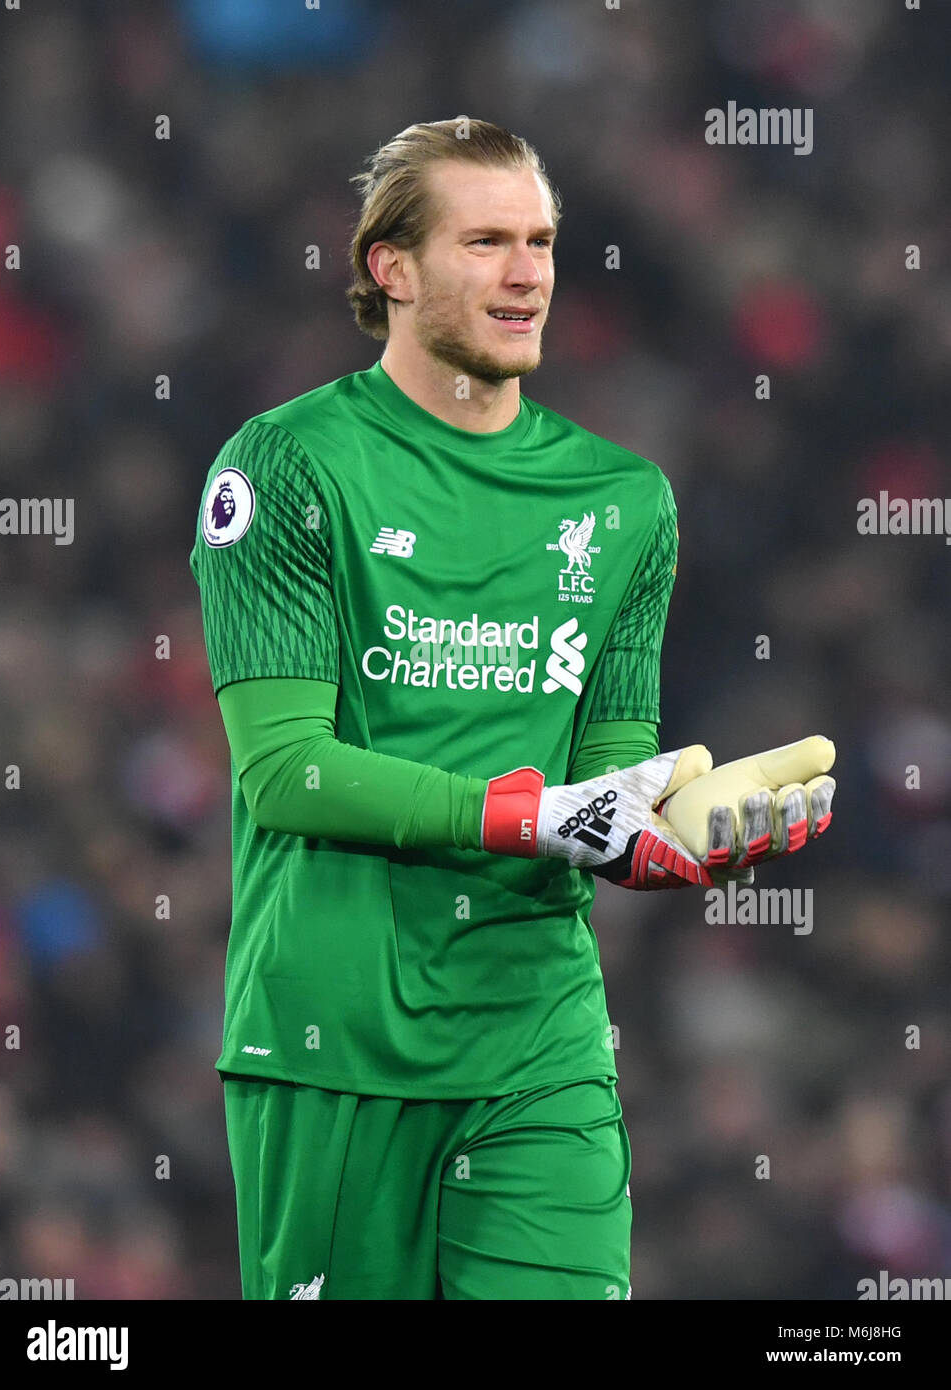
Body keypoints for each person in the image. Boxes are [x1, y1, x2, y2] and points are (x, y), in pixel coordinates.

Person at [189, 117, 834, 1301]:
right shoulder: (283, 467)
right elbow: (285, 772)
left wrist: (681, 837)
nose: (528, 272)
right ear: (391, 269)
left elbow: (612, 785)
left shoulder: (625, 500)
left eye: (539, 240)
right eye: (485, 241)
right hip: (338, 1035)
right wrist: (537, 817)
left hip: (535, 1033)